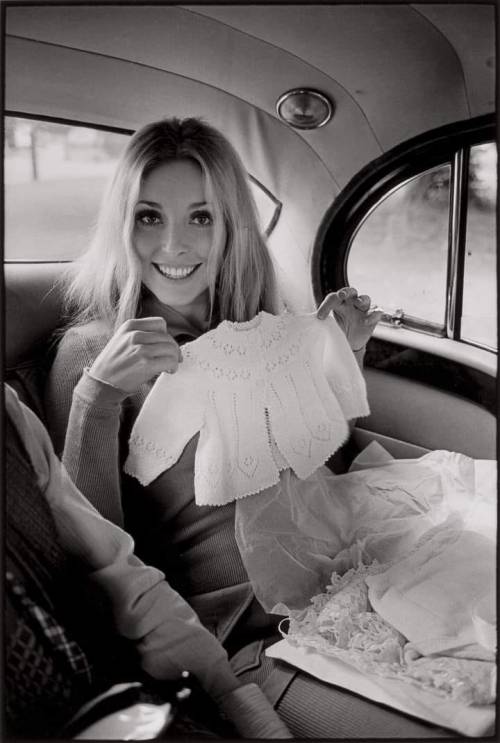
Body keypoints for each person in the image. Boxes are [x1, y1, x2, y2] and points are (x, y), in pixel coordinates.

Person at [44, 117, 445, 737]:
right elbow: (93, 553)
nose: (173, 245)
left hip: (352, 580)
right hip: (254, 639)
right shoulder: (96, 353)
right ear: (123, 226)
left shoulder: (266, 325)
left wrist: (344, 355)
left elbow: (314, 472)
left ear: (231, 224)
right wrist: (98, 398)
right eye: (149, 216)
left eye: (200, 217)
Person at [5, 382, 291, 739]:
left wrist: (236, 704)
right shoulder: (91, 356)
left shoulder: (9, 419)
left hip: (149, 694)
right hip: (246, 629)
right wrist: (97, 401)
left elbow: (118, 573)